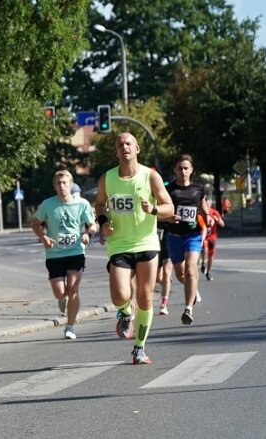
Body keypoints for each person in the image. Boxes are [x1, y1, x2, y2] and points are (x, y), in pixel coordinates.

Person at [95, 132, 174, 365]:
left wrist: (154, 210)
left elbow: (169, 207)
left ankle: (139, 348)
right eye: (120, 144)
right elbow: (99, 204)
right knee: (120, 295)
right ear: (116, 151)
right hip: (119, 243)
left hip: (147, 242)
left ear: (137, 148)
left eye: (128, 143)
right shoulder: (107, 179)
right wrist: (103, 223)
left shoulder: (151, 177)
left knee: (145, 297)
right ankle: (125, 312)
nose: (124, 147)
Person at [31, 170, 96, 340]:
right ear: (55, 186)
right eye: (58, 183)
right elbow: (35, 223)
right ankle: (62, 299)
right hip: (54, 253)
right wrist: (43, 237)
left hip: (75, 251)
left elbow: (92, 225)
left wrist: (88, 235)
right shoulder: (48, 204)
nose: (62, 186)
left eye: (65, 183)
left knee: (73, 288)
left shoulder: (82, 204)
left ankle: (70, 326)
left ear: (71, 184)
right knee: (60, 292)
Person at [164, 154, 214, 325]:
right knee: (180, 273)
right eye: (180, 168)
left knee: (191, 269)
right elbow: (161, 210)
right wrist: (168, 217)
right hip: (174, 237)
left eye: (186, 168)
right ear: (175, 170)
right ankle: (192, 290)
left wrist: (207, 215)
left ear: (191, 169)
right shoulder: (169, 189)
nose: (183, 171)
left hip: (192, 236)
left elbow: (202, 202)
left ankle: (188, 309)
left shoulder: (198, 189)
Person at [200, 197, 225, 281]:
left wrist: (217, 220)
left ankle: (208, 272)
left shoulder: (214, 212)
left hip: (212, 237)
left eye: (207, 204)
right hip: (204, 236)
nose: (206, 206)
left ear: (210, 204)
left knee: (211, 255)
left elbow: (223, 224)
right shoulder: (200, 213)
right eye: (204, 204)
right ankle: (203, 263)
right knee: (205, 248)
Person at [156, 220, 174, 316]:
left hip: (168, 246)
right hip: (155, 247)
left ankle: (164, 305)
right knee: (158, 278)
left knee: (167, 273)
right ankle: (167, 282)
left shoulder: (169, 208)